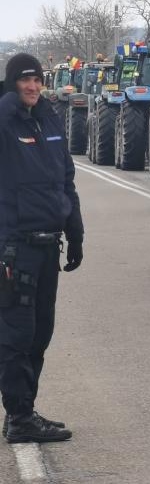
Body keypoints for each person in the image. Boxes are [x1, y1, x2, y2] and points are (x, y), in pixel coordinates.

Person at [0, 53, 83, 443]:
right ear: (12, 83)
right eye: (24, 81)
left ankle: (25, 410)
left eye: (37, 80)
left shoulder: (49, 118)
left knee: (40, 334)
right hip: (16, 247)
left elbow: (65, 178)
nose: (32, 87)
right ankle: (18, 417)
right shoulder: (4, 121)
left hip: (50, 245)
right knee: (16, 333)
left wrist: (76, 230)